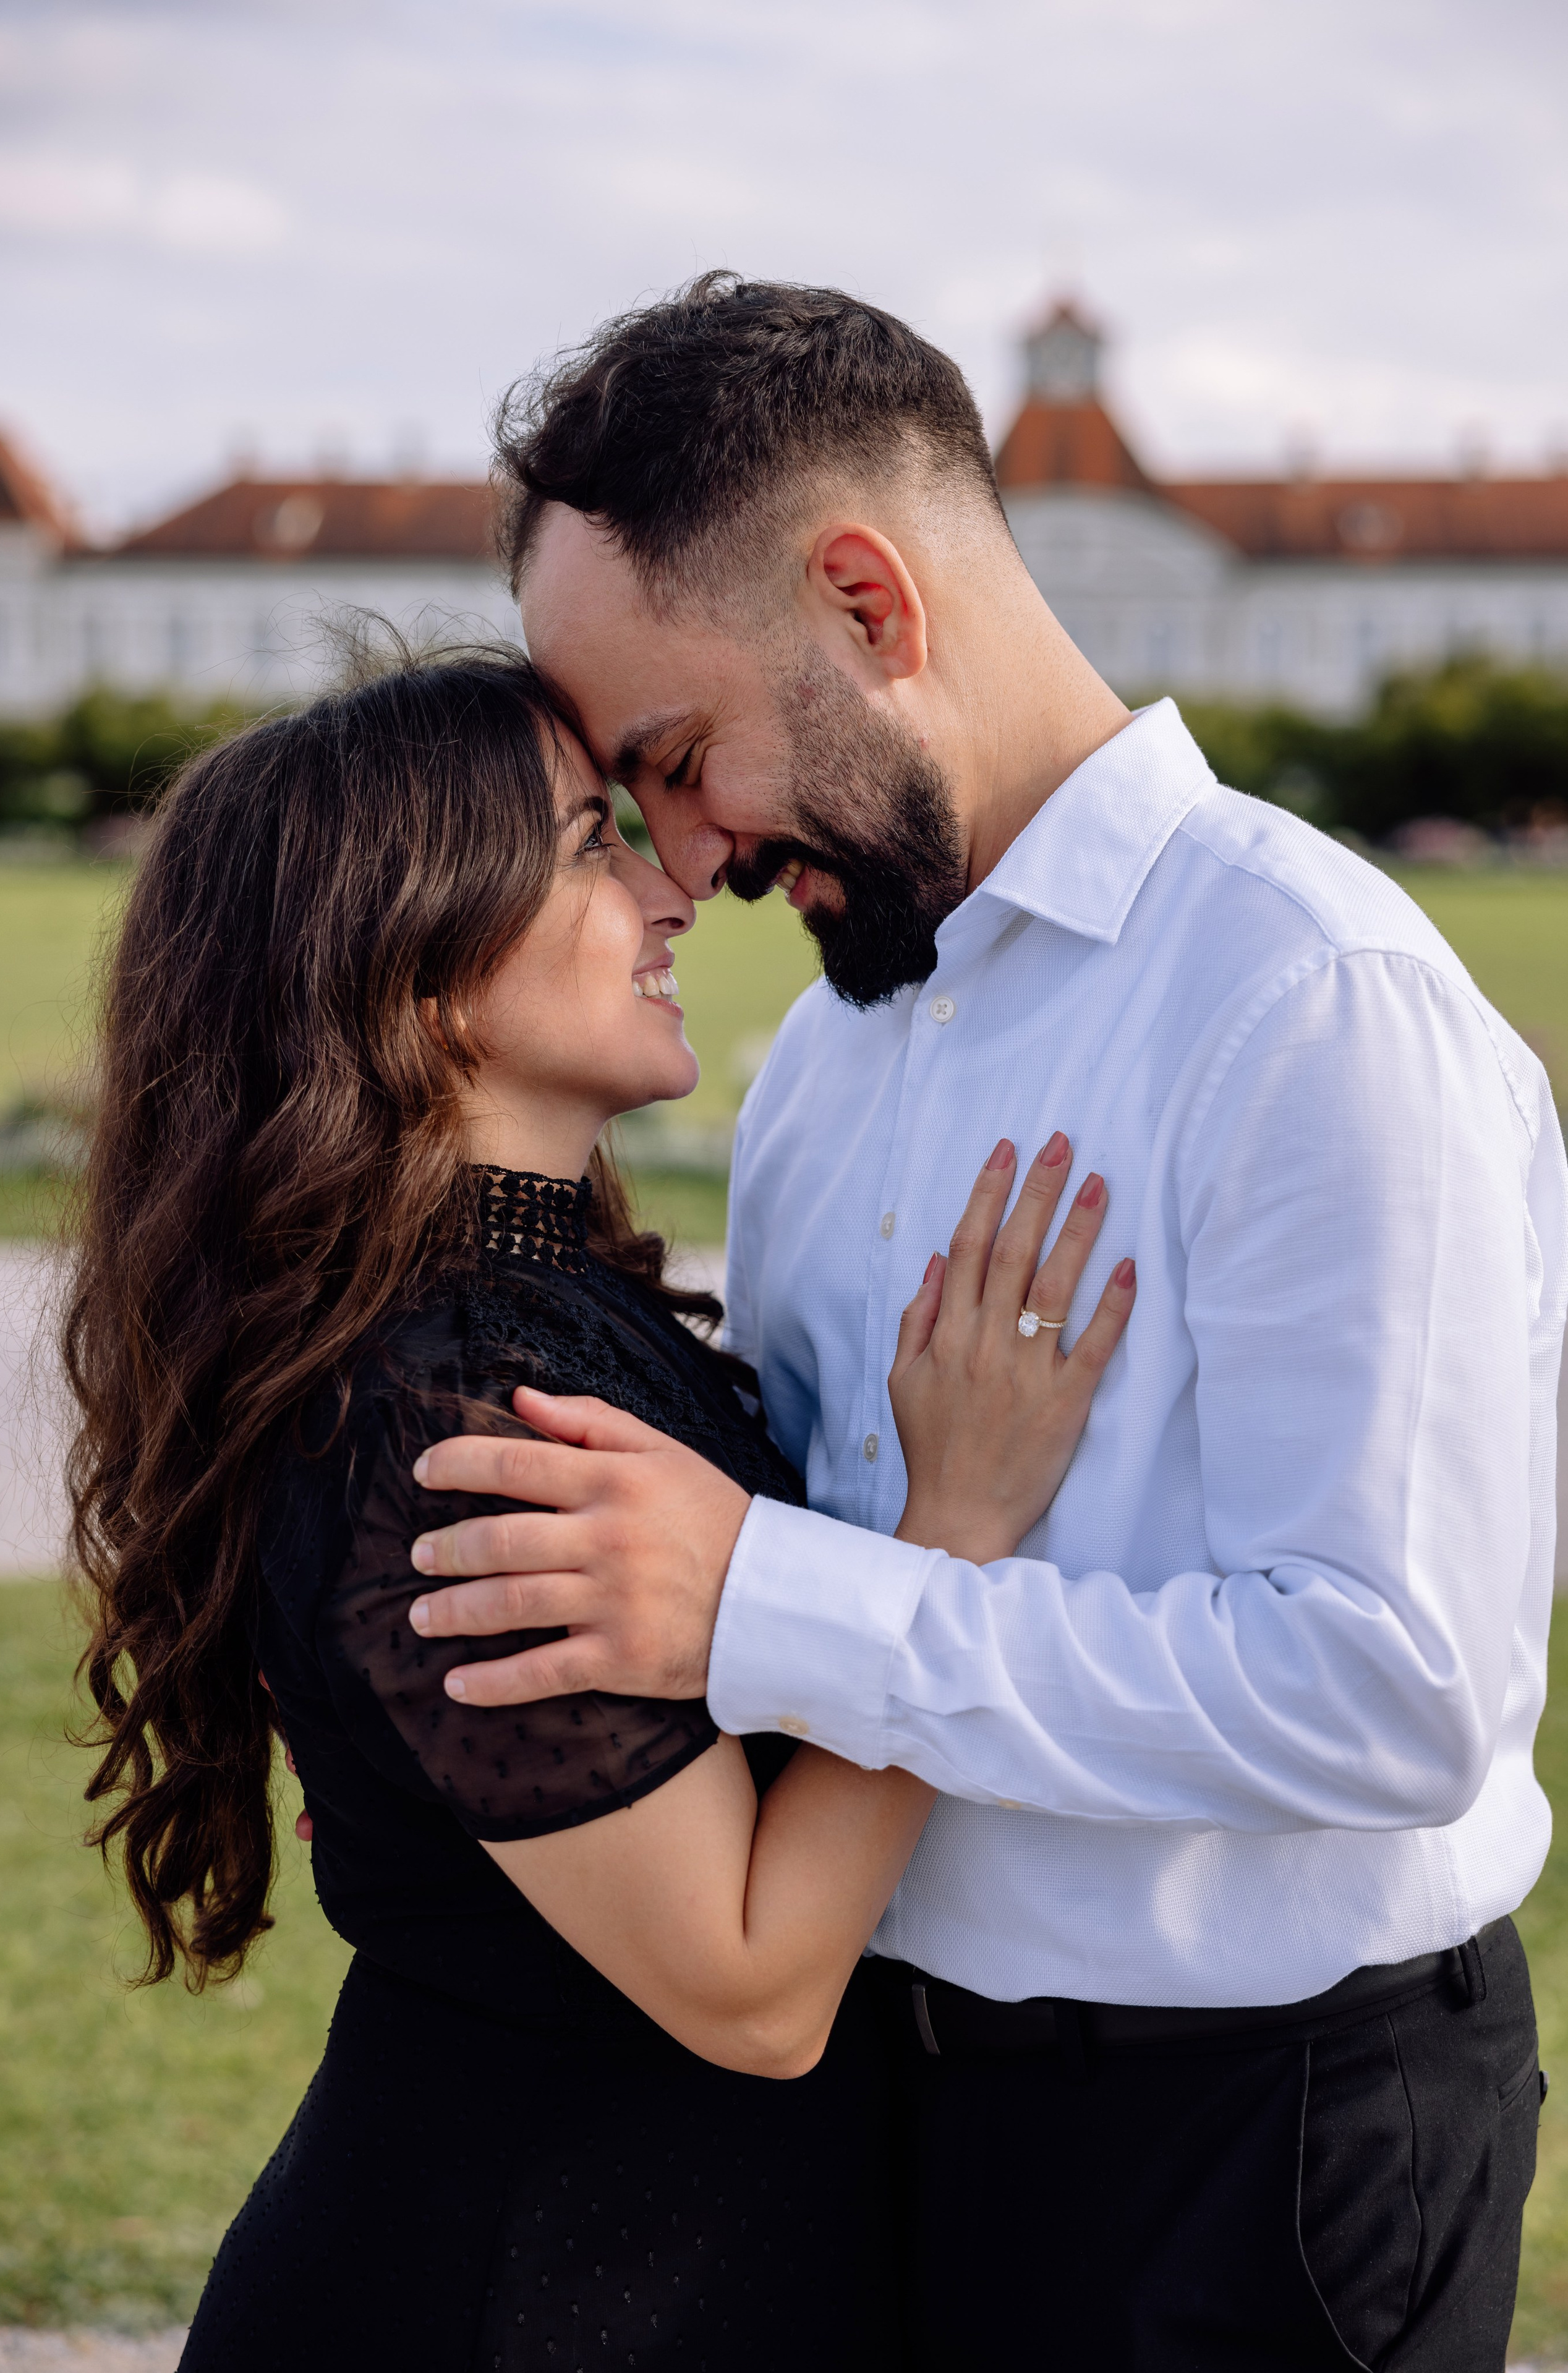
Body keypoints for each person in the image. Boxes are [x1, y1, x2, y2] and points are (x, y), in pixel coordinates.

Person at [406, 278, 1566, 2371]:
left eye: (676, 759)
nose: (690, 859)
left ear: (869, 602)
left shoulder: (1312, 1002)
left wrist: (776, 1601)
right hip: (887, 2112)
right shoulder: (835, 1061)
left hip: (1254, 2153)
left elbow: (1395, 1691)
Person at [64, 648, 1132, 2372]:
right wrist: (957, 1532)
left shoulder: (536, 1310)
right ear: (419, 981)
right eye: (587, 845)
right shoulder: (453, 1410)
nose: (670, 889)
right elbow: (752, 1986)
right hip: (518, 2297)